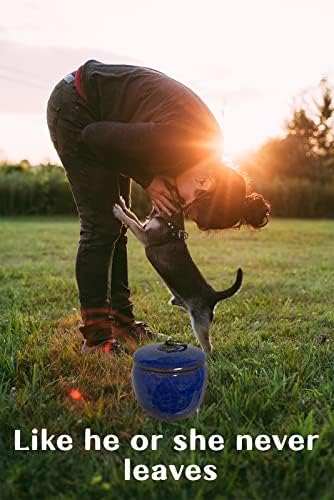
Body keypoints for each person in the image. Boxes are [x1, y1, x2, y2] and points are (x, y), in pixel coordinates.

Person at [47, 60, 270, 353]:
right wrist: (148, 178)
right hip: (77, 106)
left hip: (102, 115)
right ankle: (97, 338)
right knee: (101, 225)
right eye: (189, 204)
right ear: (206, 182)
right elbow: (93, 136)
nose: (181, 204)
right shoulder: (180, 141)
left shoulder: (202, 152)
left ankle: (122, 322)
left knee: (115, 228)